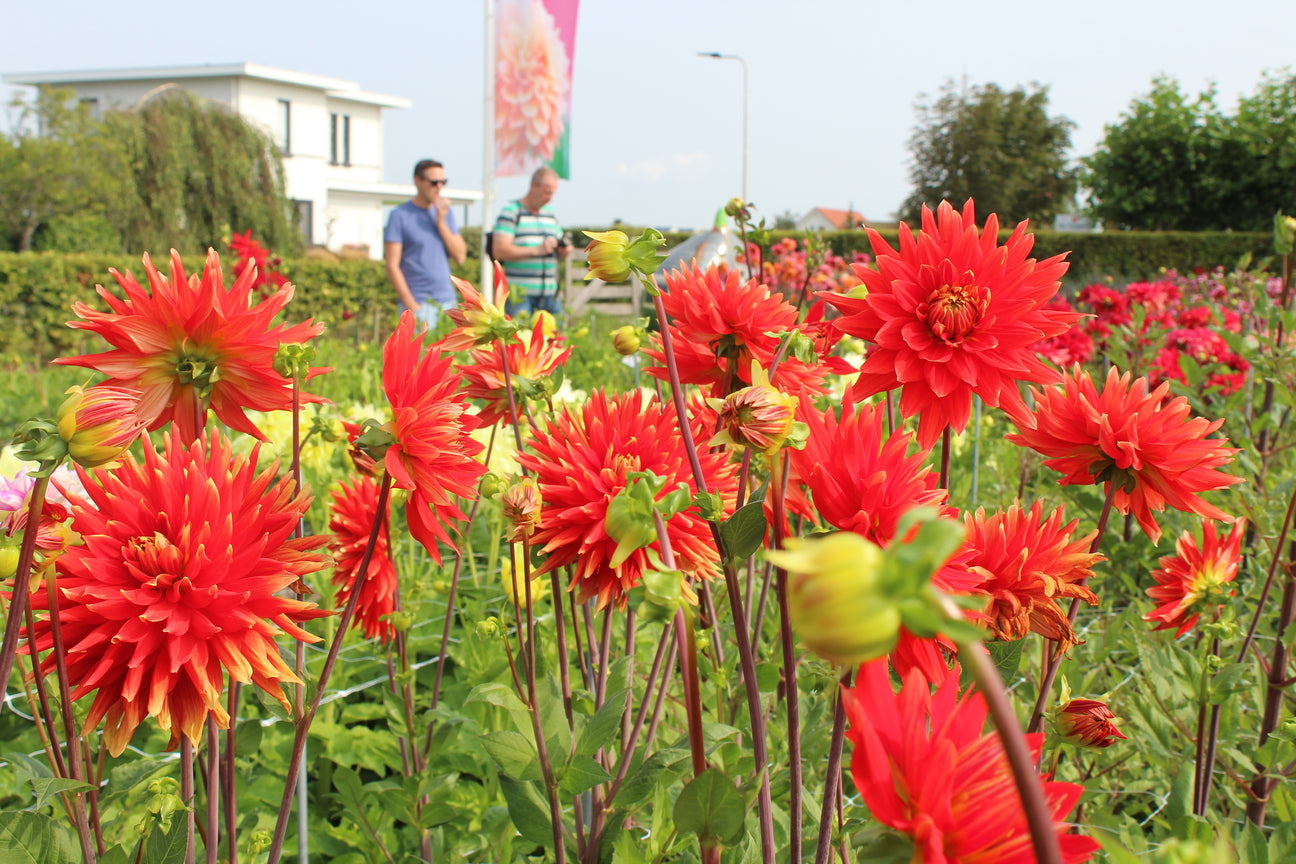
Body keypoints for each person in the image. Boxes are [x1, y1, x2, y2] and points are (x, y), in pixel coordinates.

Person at [384, 159, 467, 329]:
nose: (439, 187)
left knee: (450, 356)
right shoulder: (399, 216)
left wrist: (441, 223)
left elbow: (460, 256)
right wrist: (412, 306)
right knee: (420, 355)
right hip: (418, 303)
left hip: (447, 302)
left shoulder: (444, 214)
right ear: (418, 181)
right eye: (433, 182)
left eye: (443, 182)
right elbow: (392, 265)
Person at [491, 166, 570, 316]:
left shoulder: (551, 213)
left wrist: (563, 251)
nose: (549, 198)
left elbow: (559, 247)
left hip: (549, 294)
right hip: (519, 294)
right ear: (534, 185)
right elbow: (499, 250)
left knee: (557, 336)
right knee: (519, 337)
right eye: (547, 192)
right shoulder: (512, 212)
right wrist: (536, 250)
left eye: (553, 193)